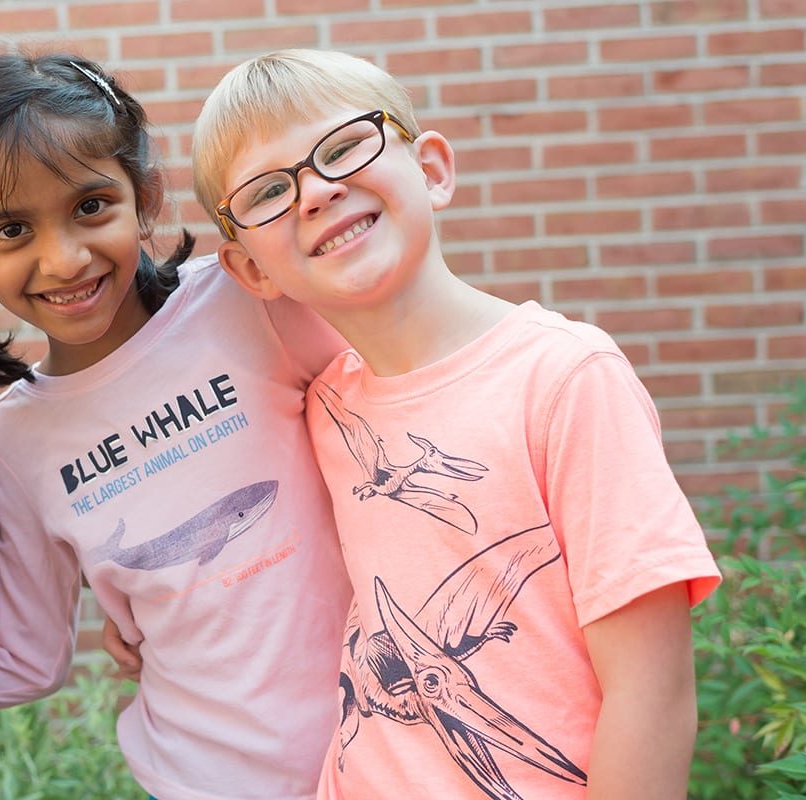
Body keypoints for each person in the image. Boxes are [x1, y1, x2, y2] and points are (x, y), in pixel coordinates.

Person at [194, 49, 722, 799]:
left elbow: (654, 694)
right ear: (252, 271)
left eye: (344, 147)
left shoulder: (566, 377)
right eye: (269, 192)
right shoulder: (325, 410)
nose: (316, 190)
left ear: (433, 170)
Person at [0, 52, 352, 799]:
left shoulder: (249, 298)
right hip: (197, 783)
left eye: (91, 206)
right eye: (13, 229)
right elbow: (29, 657)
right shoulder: (15, 441)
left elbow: (398, 430)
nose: (63, 258)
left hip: (392, 755)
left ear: (144, 194)